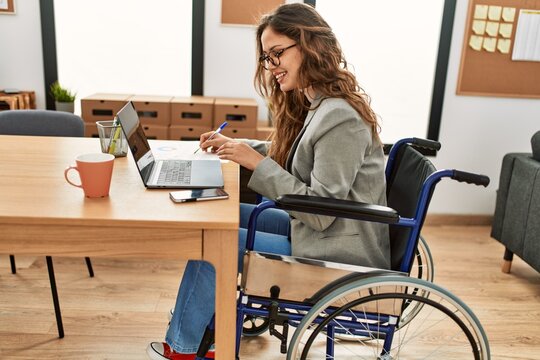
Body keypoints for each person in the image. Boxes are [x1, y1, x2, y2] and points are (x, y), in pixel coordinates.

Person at [147, 3, 390, 359]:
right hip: (318, 234)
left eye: (277, 54)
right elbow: (301, 159)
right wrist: (243, 147)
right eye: (266, 57)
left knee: (215, 243)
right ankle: (198, 335)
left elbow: (321, 211)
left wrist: (256, 163)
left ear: (310, 46)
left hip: (337, 250)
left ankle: (183, 347)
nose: (271, 65)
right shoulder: (319, 103)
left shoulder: (340, 117)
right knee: (221, 219)